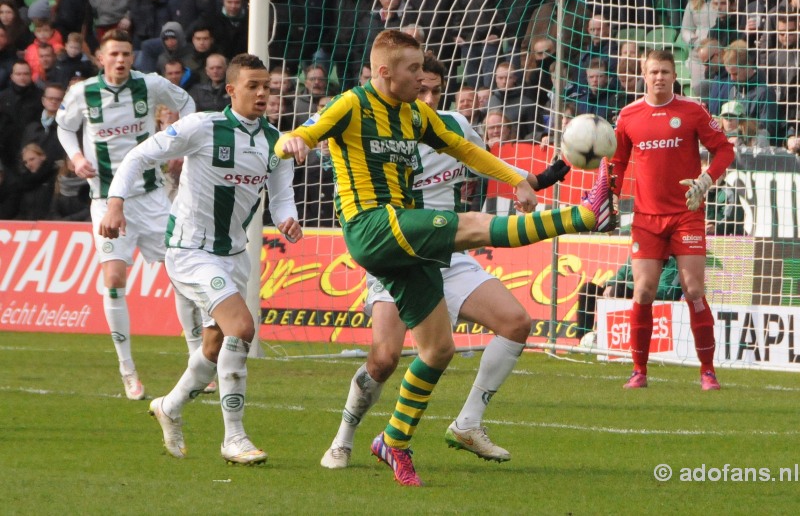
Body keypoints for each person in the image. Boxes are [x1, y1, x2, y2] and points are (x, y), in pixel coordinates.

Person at [276, 29, 616, 486]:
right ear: (384, 72)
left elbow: (469, 151)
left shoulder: (420, 117)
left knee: (438, 350)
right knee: (469, 225)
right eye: (413, 70)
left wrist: (521, 181)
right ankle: (585, 215)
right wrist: (291, 143)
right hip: (373, 226)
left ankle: (393, 442)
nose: (422, 80)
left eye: (425, 71)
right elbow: (302, 134)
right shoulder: (353, 104)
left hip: (412, 241)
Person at [319, 52, 571, 469]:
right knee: (384, 359)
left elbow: (487, 162)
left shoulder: (452, 126)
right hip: (398, 252)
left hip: (450, 253)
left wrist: (546, 175)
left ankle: (468, 423)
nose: (430, 97)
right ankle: (344, 436)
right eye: (422, 88)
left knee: (516, 323)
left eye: (436, 89)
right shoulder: (380, 130)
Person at [98, 53, 302, 465]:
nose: (263, 93)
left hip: (234, 253)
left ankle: (169, 406)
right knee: (241, 329)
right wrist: (115, 203)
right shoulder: (202, 126)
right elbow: (139, 156)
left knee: (213, 345)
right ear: (231, 90)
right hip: (190, 249)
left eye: (267, 86)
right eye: (253, 86)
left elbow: (280, 198)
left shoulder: (274, 142)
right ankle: (235, 438)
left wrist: (288, 220)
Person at [55, 29, 201, 400]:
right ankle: (128, 371)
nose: (120, 60)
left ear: (132, 57)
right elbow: (64, 127)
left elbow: (187, 105)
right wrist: (75, 158)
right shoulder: (82, 93)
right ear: (101, 59)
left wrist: (178, 142)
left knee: (181, 272)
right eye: (113, 54)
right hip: (105, 199)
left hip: (151, 198)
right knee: (115, 278)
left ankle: (199, 360)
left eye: (125, 54)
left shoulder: (149, 85)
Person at [609, 49, 735, 391]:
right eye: (654, 72)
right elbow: (618, 163)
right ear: (643, 74)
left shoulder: (692, 111)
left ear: (674, 75)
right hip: (647, 218)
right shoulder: (629, 115)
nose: (659, 77)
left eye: (665, 71)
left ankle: (707, 370)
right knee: (644, 290)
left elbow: (725, 150)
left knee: (693, 289)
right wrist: (611, 196)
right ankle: (639, 371)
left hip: (686, 215)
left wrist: (706, 181)